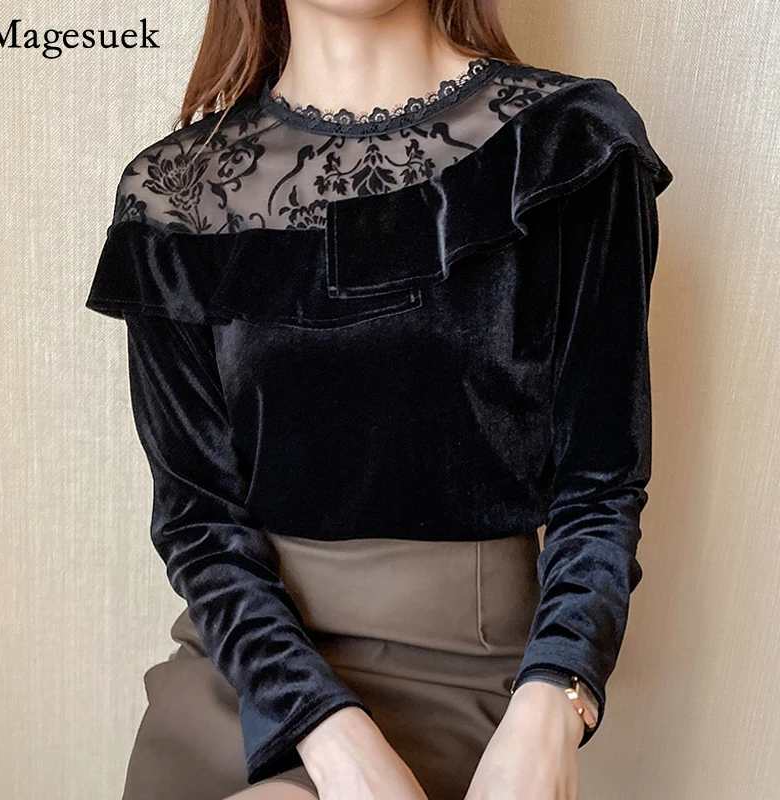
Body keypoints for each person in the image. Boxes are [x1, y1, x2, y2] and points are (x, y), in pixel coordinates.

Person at [85, 1, 673, 799]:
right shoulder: (173, 191)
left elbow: (600, 487)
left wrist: (555, 700)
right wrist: (327, 731)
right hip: (253, 666)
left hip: (468, 670)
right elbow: (198, 522)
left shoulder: (566, 143)